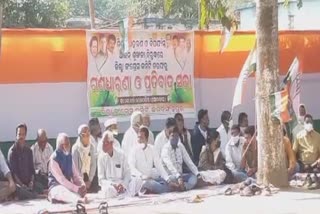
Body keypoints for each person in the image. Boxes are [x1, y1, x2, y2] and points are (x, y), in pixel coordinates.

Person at [98, 131, 142, 198]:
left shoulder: (121, 154)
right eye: (102, 142)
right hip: (111, 186)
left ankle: (124, 194)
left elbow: (127, 173)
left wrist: (123, 185)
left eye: (105, 143)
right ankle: (126, 195)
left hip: (122, 183)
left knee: (138, 180)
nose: (103, 145)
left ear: (111, 143)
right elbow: (101, 180)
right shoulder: (101, 157)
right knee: (108, 191)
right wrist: (113, 184)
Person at [129, 127, 171, 194]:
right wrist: (142, 176)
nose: (139, 140)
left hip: (151, 179)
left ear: (147, 139)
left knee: (170, 179)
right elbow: (131, 168)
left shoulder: (152, 149)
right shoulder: (134, 150)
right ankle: (165, 189)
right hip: (140, 180)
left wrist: (168, 180)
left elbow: (159, 167)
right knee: (149, 183)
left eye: (141, 138)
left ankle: (162, 188)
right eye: (138, 137)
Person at [48, 133, 87, 204]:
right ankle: (77, 200)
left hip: (69, 186)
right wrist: (77, 189)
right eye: (66, 144)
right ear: (60, 146)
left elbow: (76, 175)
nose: (69, 146)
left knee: (76, 192)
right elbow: (62, 180)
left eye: (69, 144)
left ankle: (73, 199)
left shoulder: (69, 156)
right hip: (56, 186)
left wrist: (82, 185)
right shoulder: (53, 159)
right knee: (61, 191)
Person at [8, 123, 41, 199]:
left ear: (25, 135)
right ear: (16, 135)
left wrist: (31, 182)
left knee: (40, 185)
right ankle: (36, 196)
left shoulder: (28, 150)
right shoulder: (12, 151)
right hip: (18, 184)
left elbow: (32, 169)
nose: (21, 137)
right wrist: (22, 185)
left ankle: (31, 193)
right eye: (19, 134)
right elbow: (13, 173)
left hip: (28, 182)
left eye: (23, 134)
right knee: (21, 191)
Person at [161, 127, 199, 191]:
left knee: (194, 178)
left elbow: (188, 161)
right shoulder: (165, 149)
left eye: (177, 136)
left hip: (181, 176)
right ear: (169, 136)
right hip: (171, 177)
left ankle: (182, 187)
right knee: (171, 180)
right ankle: (179, 186)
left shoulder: (180, 146)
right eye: (173, 136)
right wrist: (177, 176)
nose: (175, 138)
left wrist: (197, 173)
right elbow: (169, 165)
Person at [72, 125, 98, 193]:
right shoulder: (75, 149)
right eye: (84, 134)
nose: (86, 136)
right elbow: (75, 168)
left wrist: (89, 180)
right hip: (79, 179)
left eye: (88, 134)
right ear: (80, 136)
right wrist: (82, 182)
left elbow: (93, 164)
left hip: (90, 178)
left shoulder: (91, 147)